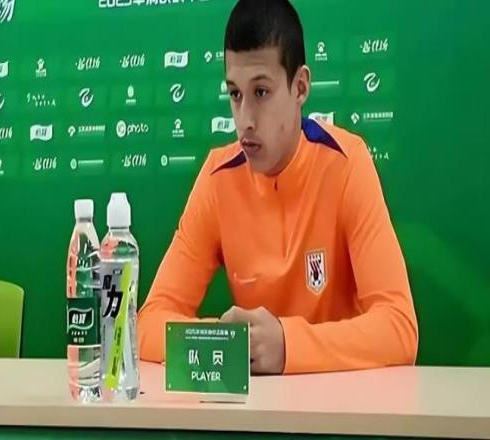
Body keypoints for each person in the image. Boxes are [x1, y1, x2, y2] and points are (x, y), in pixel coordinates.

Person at [138, 0, 418, 375]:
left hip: (342, 402)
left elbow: (399, 329)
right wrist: (226, 342)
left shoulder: (347, 163)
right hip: (257, 408)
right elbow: (148, 323)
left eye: (261, 93)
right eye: (235, 94)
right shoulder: (218, 178)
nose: (245, 121)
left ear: (300, 86)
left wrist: (287, 345)